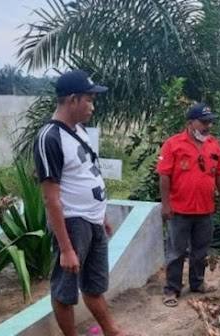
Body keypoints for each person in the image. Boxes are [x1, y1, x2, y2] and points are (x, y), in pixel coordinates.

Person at [34, 69, 133, 336]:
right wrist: (66, 248)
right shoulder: (49, 138)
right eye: (89, 99)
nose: (92, 105)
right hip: (72, 222)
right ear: (72, 100)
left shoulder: (79, 131)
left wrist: (100, 215)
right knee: (65, 291)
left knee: (94, 285)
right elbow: (51, 197)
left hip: (93, 221)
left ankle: (112, 331)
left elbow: (86, 173)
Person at [156, 103, 220, 307]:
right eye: (204, 122)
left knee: (200, 250)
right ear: (190, 123)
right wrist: (166, 205)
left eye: (209, 122)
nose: (208, 126)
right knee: (176, 251)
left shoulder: (213, 145)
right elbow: (164, 176)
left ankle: (197, 283)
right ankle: (172, 289)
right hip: (179, 210)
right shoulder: (173, 144)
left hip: (205, 210)